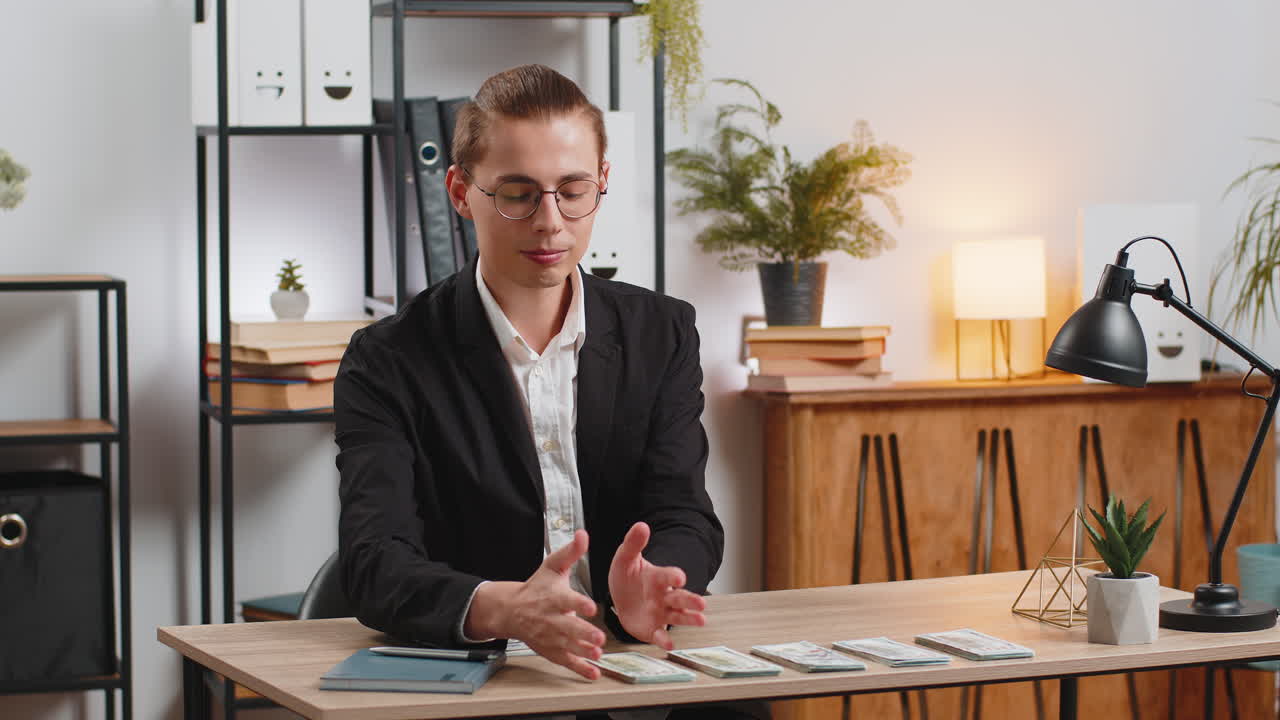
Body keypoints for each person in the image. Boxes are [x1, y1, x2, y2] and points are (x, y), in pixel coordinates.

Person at [335, 64, 767, 720]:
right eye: (517, 194)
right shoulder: (389, 359)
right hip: (488, 685)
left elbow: (686, 514)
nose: (551, 223)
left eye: (572, 191)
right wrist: (500, 607)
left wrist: (653, 584)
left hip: (632, 665)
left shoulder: (661, 332)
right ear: (460, 191)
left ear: (601, 183)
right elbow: (374, 561)